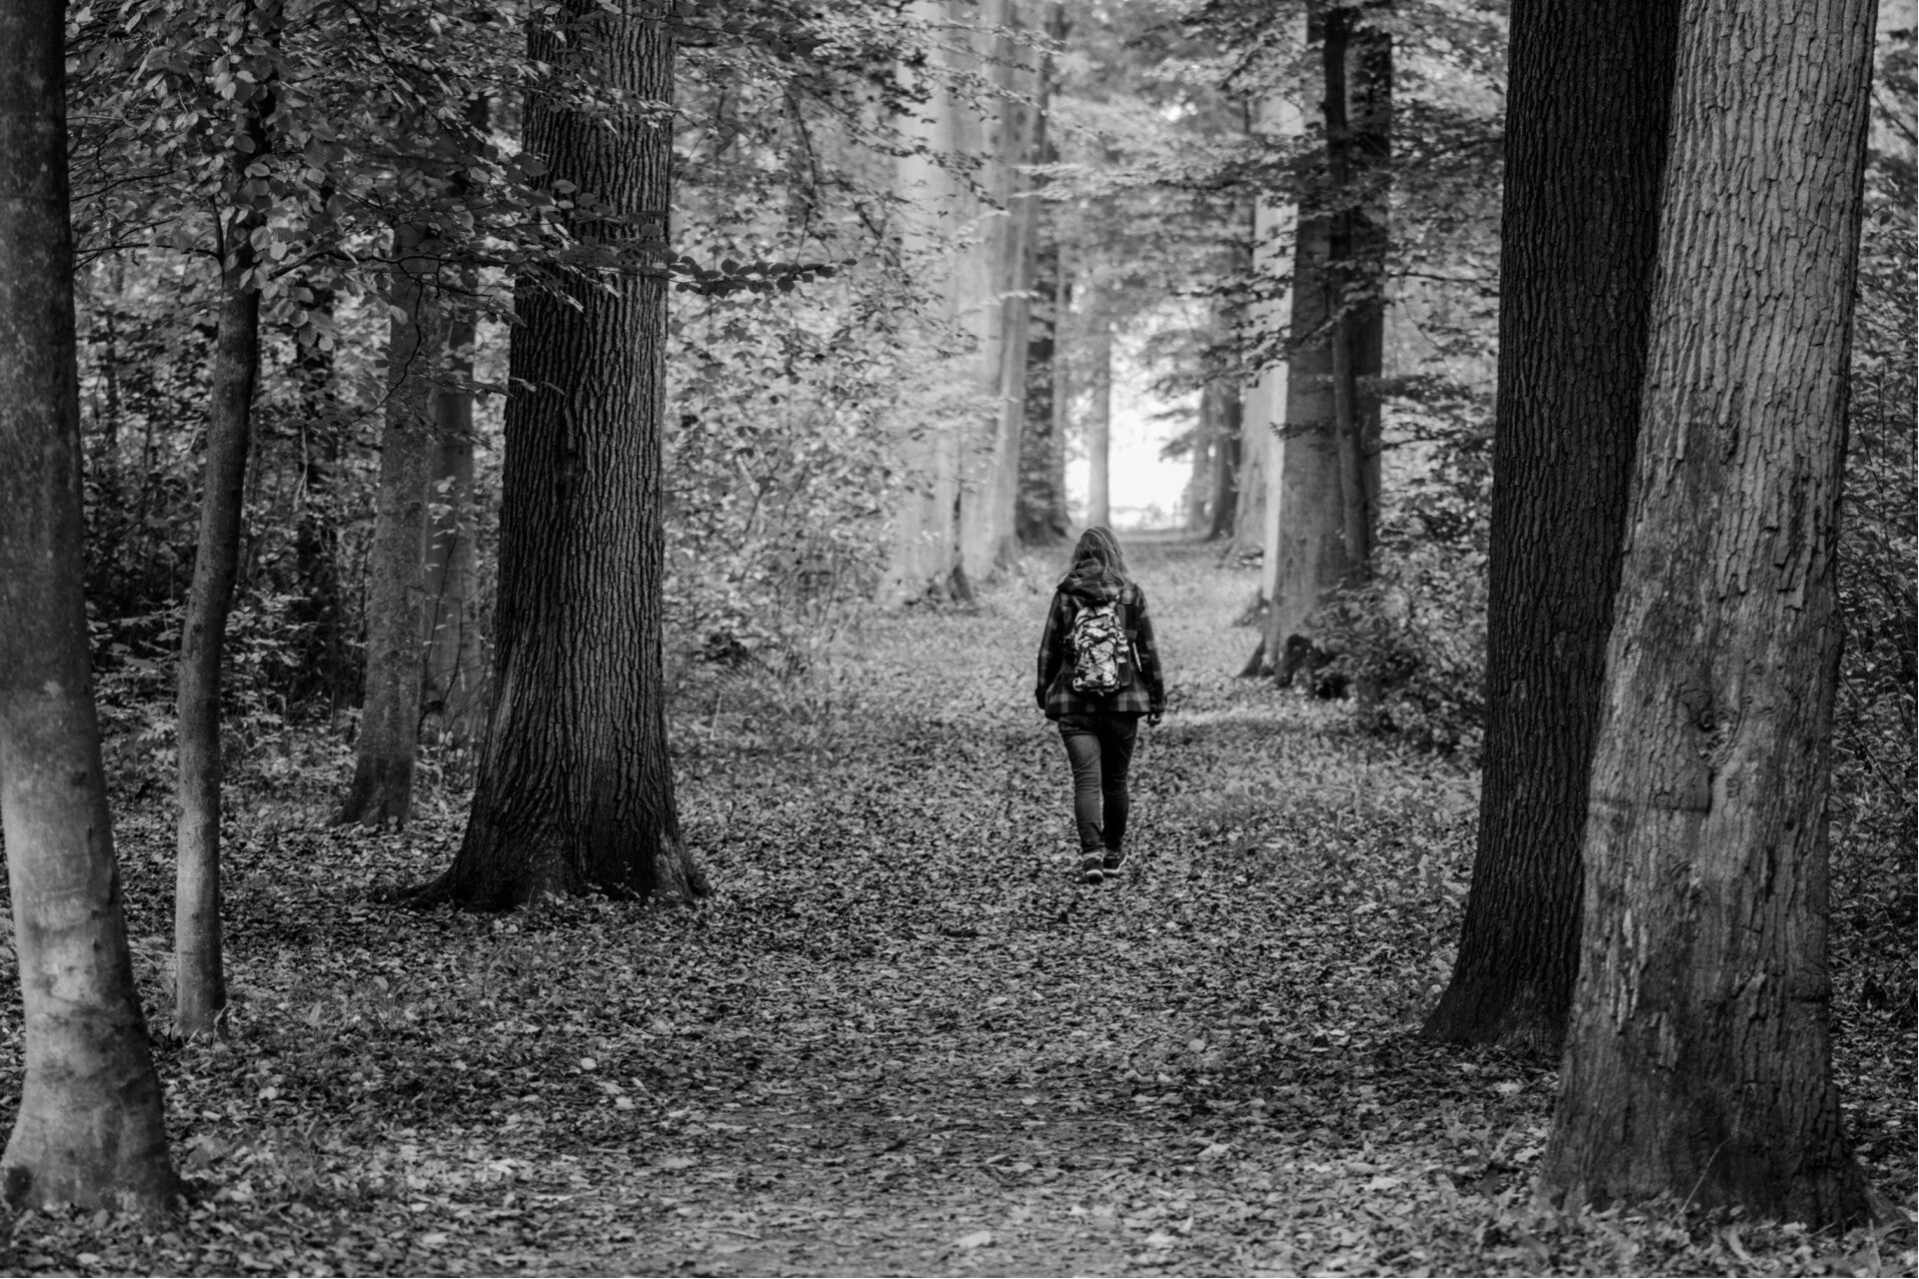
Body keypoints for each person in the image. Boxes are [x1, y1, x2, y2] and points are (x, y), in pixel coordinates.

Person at [1034, 527, 1166, 884]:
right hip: (1123, 702)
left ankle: (1090, 857)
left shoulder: (1066, 594)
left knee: (1086, 783)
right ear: (1114, 553)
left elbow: (1048, 649)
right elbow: (1147, 650)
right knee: (1116, 783)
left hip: (1074, 704)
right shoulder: (1131, 593)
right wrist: (1156, 699)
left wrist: (1045, 694)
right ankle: (1112, 855)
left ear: (1079, 556)